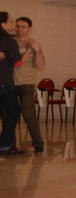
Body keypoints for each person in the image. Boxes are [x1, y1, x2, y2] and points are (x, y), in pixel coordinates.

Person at [13, 17, 46, 154]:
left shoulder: (33, 44)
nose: (20, 29)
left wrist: (37, 51)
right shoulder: (9, 42)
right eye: (17, 26)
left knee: (28, 114)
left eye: (23, 27)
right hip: (10, 83)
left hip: (27, 83)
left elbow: (40, 66)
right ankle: (10, 145)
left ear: (29, 29)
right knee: (9, 116)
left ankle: (38, 144)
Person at [0, 12, 24, 156]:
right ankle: (4, 144)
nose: (13, 25)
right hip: (4, 83)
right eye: (10, 21)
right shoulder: (9, 41)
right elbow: (17, 63)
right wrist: (27, 53)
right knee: (13, 112)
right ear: (2, 24)